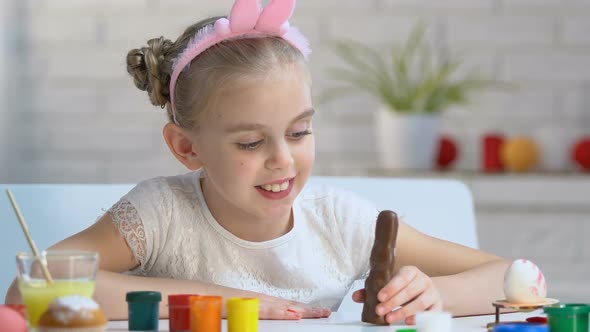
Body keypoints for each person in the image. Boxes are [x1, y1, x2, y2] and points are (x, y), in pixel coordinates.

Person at [5, 0, 510, 324]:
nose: (283, 161)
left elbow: (513, 279)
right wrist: (224, 302)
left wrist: (433, 297)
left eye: (300, 132)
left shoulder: (341, 222)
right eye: (250, 143)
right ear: (186, 148)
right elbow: (32, 287)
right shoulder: (161, 214)